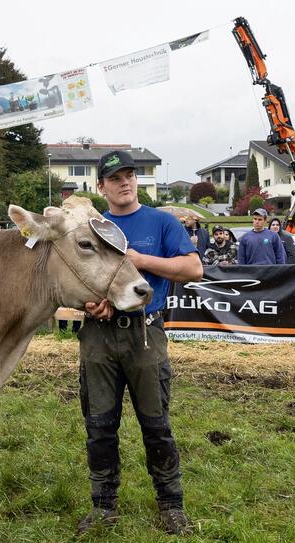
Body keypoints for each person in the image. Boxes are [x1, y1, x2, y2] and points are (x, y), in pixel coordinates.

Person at [78, 149, 202, 535]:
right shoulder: (92, 227)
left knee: (155, 423)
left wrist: (141, 259)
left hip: (145, 334)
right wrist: (88, 302)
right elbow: (74, 275)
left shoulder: (161, 222)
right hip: (98, 336)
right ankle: (103, 506)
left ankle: (171, 505)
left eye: (130, 175)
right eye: (115, 178)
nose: (125, 182)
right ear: (101, 187)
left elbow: (193, 268)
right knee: (99, 424)